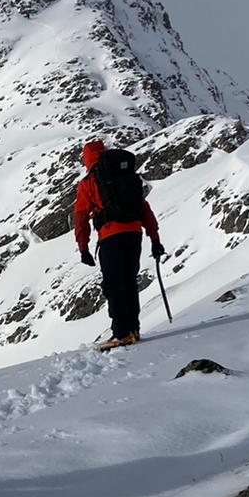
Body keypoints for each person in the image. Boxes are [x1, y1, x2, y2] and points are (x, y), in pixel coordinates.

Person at [73, 139, 164, 348]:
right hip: (134, 235)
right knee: (130, 282)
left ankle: (121, 333)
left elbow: (80, 218)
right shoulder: (126, 177)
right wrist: (155, 238)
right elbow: (144, 209)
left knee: (114, 285)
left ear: (86, 159)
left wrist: (83, 247)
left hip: (110, 237)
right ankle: (133, 329)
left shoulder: (89, 183)